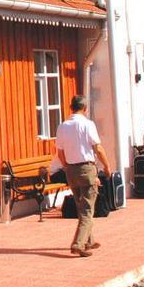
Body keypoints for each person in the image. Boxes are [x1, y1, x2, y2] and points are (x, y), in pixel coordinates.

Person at [55, 93, 111, 258]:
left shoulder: (63, 126)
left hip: (71, 169)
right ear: (85, 109)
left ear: (71, 107)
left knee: (82, 206)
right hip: (86, 168)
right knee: (87, 209)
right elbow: (98, 148)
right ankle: (78, 244)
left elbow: (60, 151)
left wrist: (66, 166)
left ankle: (89, 240)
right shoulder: (87, 124)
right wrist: (107, 167)